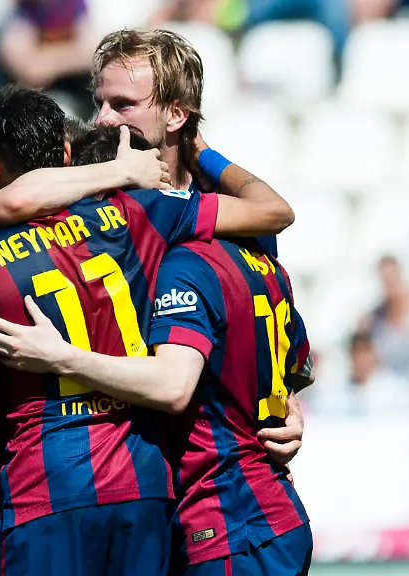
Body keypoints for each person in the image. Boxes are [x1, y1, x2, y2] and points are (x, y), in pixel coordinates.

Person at [0, 87, 294, 574]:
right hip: (143, 479)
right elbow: (273, 211)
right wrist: (194, 152)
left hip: (42, 486)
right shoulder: (141, 212)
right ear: (67, 153)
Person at [0, 236, 316, 575]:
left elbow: (173, 386)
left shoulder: (187, 264)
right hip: (268, 511)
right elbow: (302, 369)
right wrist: (283, 402)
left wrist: (60, 357)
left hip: (230, 518)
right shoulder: (266, 264)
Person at [89, 26, 304, 462]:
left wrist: (287, 405)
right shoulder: (86, 200)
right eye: (100, 103)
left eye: (122, 104)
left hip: (205, 471)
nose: (102, 120)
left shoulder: (231, 217)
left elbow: (273, 339)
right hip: (120, 466)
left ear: (175, 115)